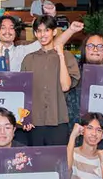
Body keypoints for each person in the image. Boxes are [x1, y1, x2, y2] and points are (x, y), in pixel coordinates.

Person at [21, 15, 80, 147]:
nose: (43, 35)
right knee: (35, 158)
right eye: (39, 31)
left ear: (54, 32)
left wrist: (60, 55)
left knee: (57, 158)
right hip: (35, 121)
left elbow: (65, 86)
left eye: (47, 30)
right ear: (35, 33)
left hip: (58, 119)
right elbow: (23, 92)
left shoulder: (67, 56)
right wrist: (25, 117)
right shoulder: (28, 59)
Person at [0, 12, 79, 74]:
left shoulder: (24, 50)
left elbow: (52, 43)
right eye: (3, 28)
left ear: (16, 31)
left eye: (11, 28)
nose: (7, 31)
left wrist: (71, 30)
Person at [66, 29, 103, 158]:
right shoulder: (73, 73)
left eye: (100, 46)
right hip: (78, 136)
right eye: (91, 46)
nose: (95, 50)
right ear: (84, 49)